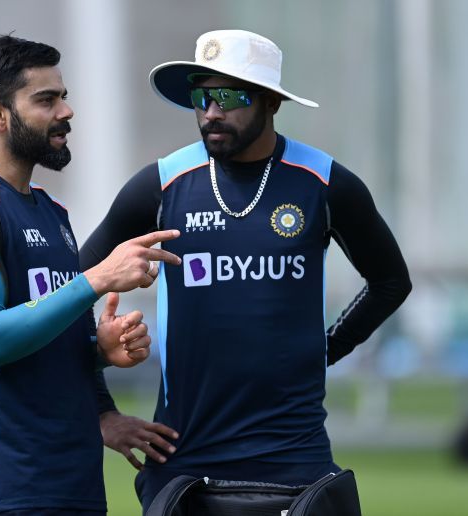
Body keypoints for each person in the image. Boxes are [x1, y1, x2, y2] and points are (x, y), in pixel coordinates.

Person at [79, 30, 412, 512]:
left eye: (230, 96)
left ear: (272, 101)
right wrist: (102, 412)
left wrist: (325, 349)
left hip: (295, 457)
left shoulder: (324, 183)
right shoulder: (159, 186)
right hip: (183, 459)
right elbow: (65, 296)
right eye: (202, 97)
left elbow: (390, 282)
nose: (211, 112)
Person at [0, 34, 181, 515]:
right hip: (3, 493)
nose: (66, 111)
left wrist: (99, 356)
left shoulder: (51, 212)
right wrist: (96, 278)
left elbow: (45, 335)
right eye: (47, 100)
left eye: (64, 96)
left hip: (72, 484)